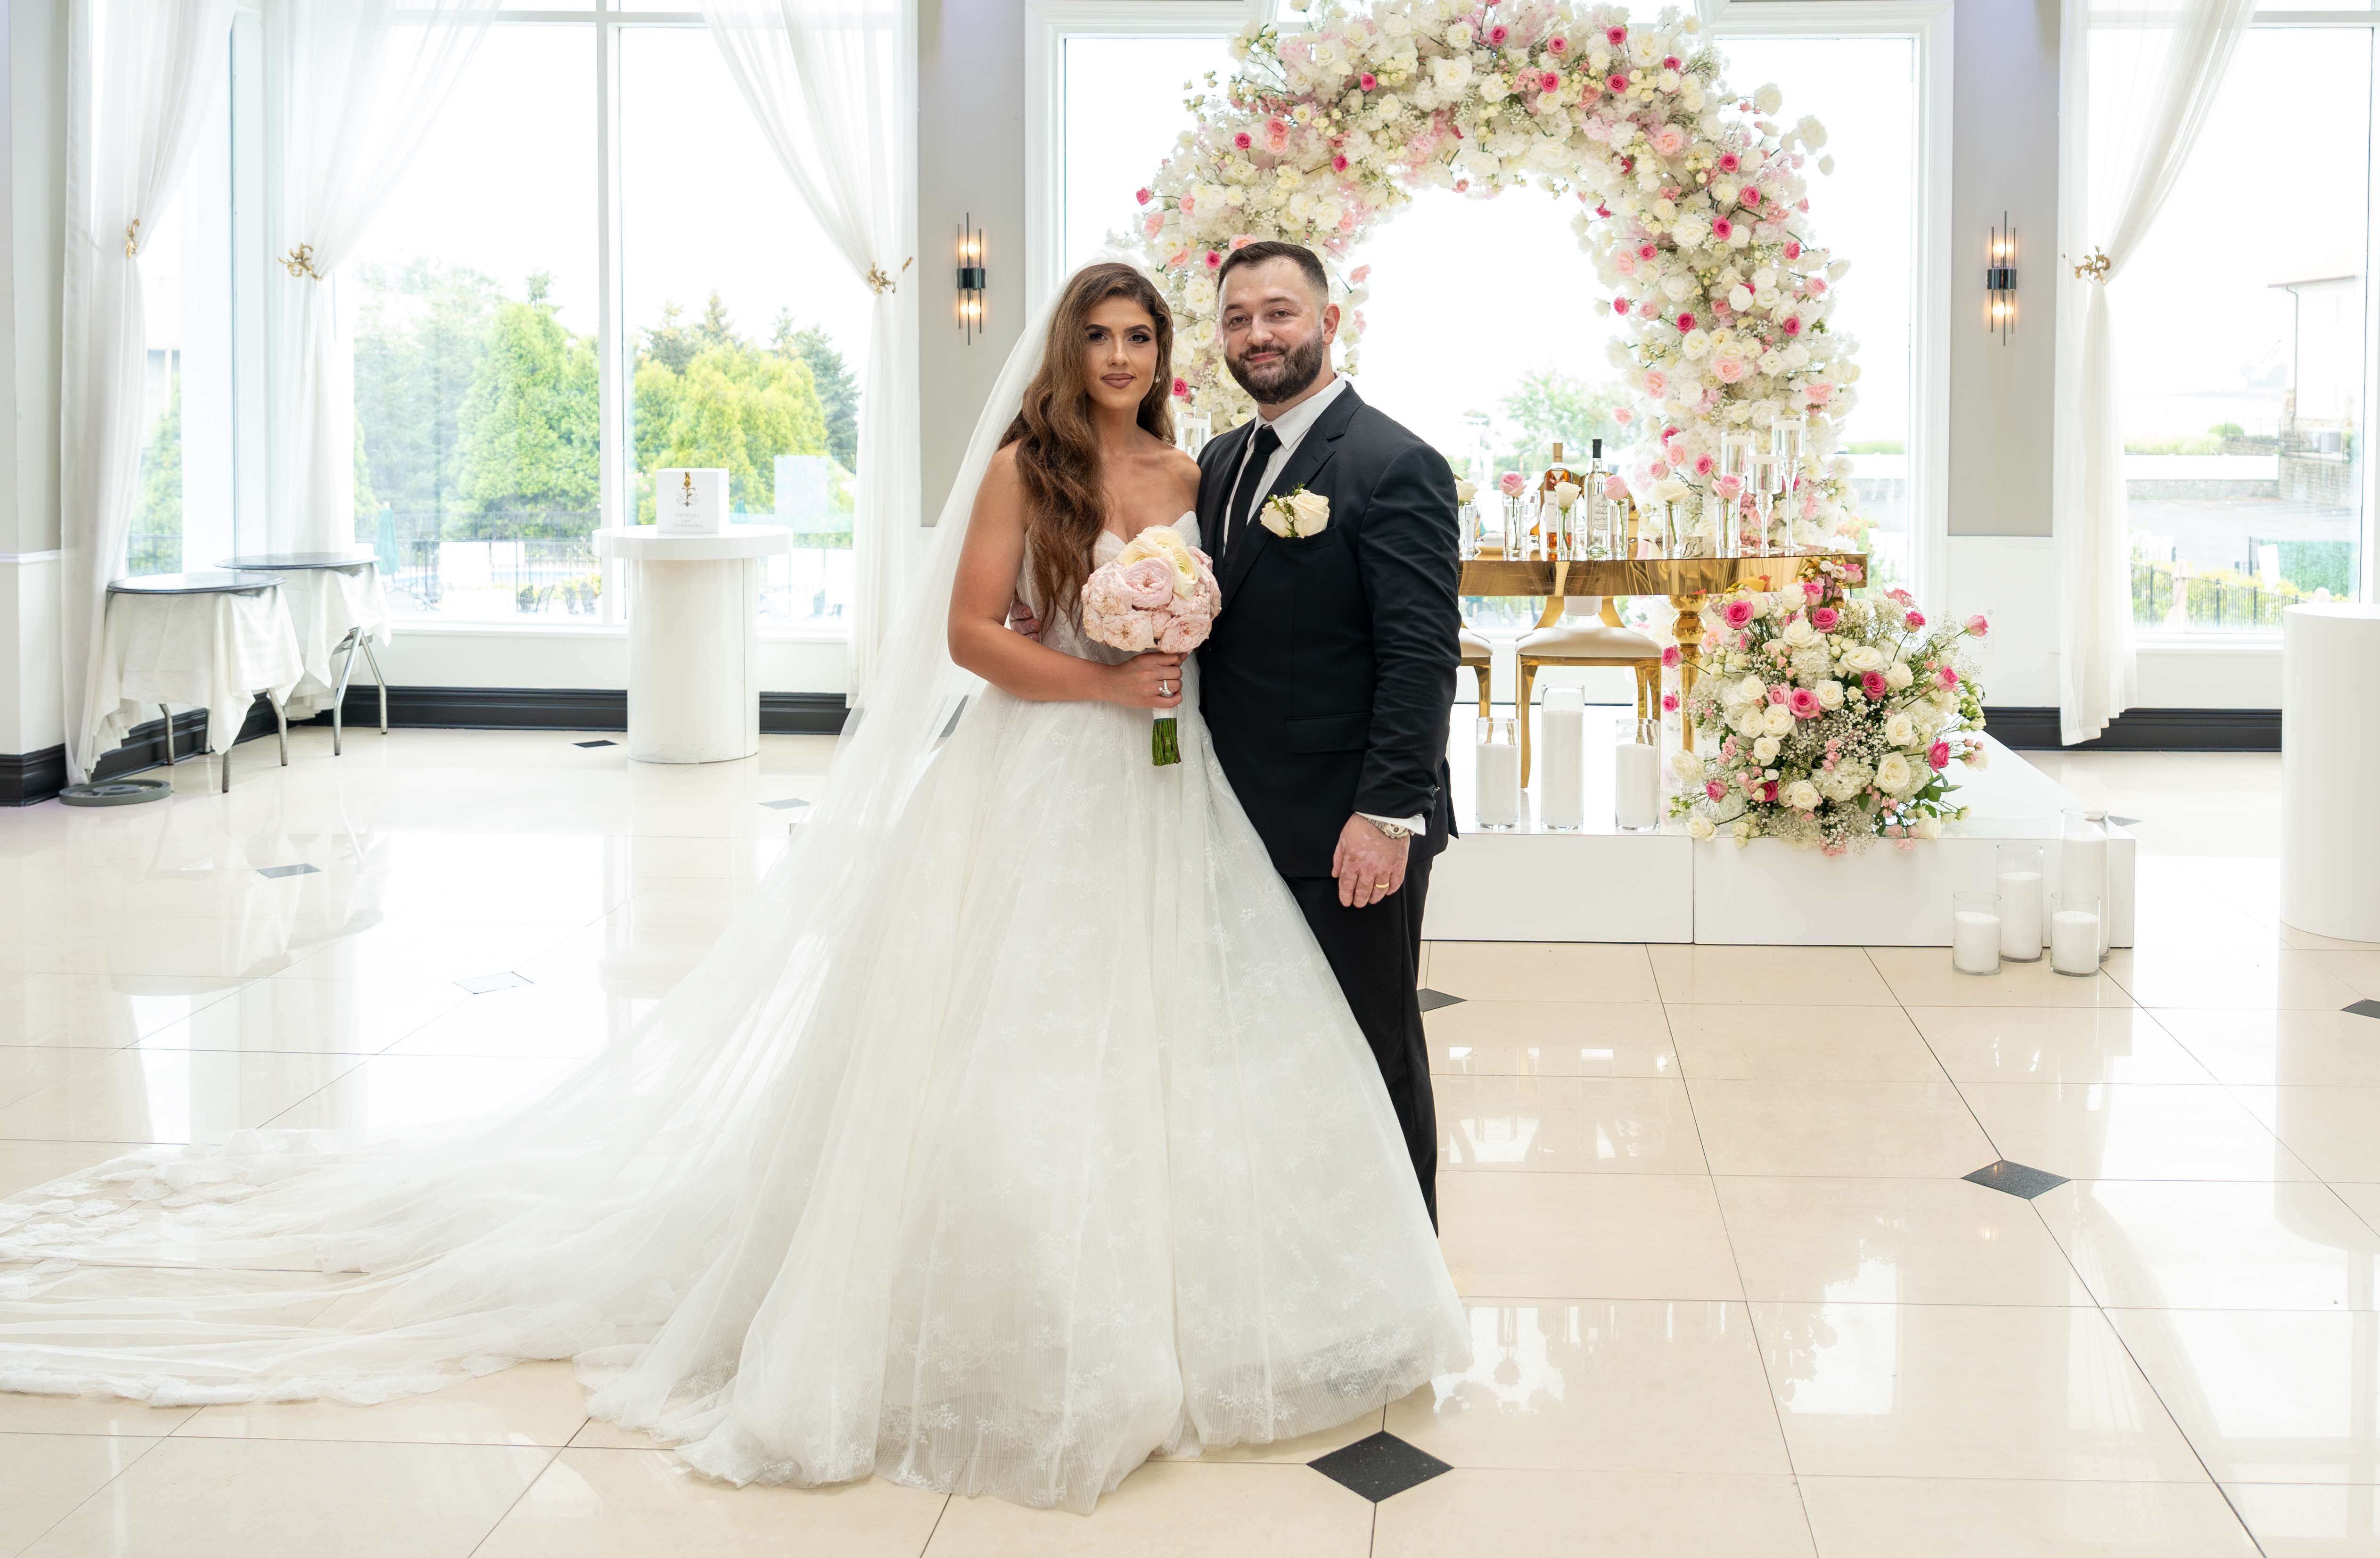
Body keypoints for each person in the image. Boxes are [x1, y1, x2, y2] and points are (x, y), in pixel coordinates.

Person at [0, 261, 1466, 1515]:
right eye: (1105, 336)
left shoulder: (1206, 469)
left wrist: (1196, 687)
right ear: (1066, 352)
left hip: (1173, 786)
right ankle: (1006, 1298)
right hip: (1042, 772)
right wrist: (1100, 681)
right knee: (1012, 1032)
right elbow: (970, 635)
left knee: (1170, 1037)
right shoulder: (1037, 468)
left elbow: (1283, 630)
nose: (1128, 358)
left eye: (1147, 336)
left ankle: (1206, 1292)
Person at [1192, 240, 1461, 1219]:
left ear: (1329, 322)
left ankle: (1402, 1290)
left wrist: (1388, 813)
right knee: (1269, 1054)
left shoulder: (1396, 462)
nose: (1258, 334)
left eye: (1279, 312)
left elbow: (1422, 655)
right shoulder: (1222, 462)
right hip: (1234, 813)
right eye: (1236, 318)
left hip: (1348, 825)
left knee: (1369, 1053)